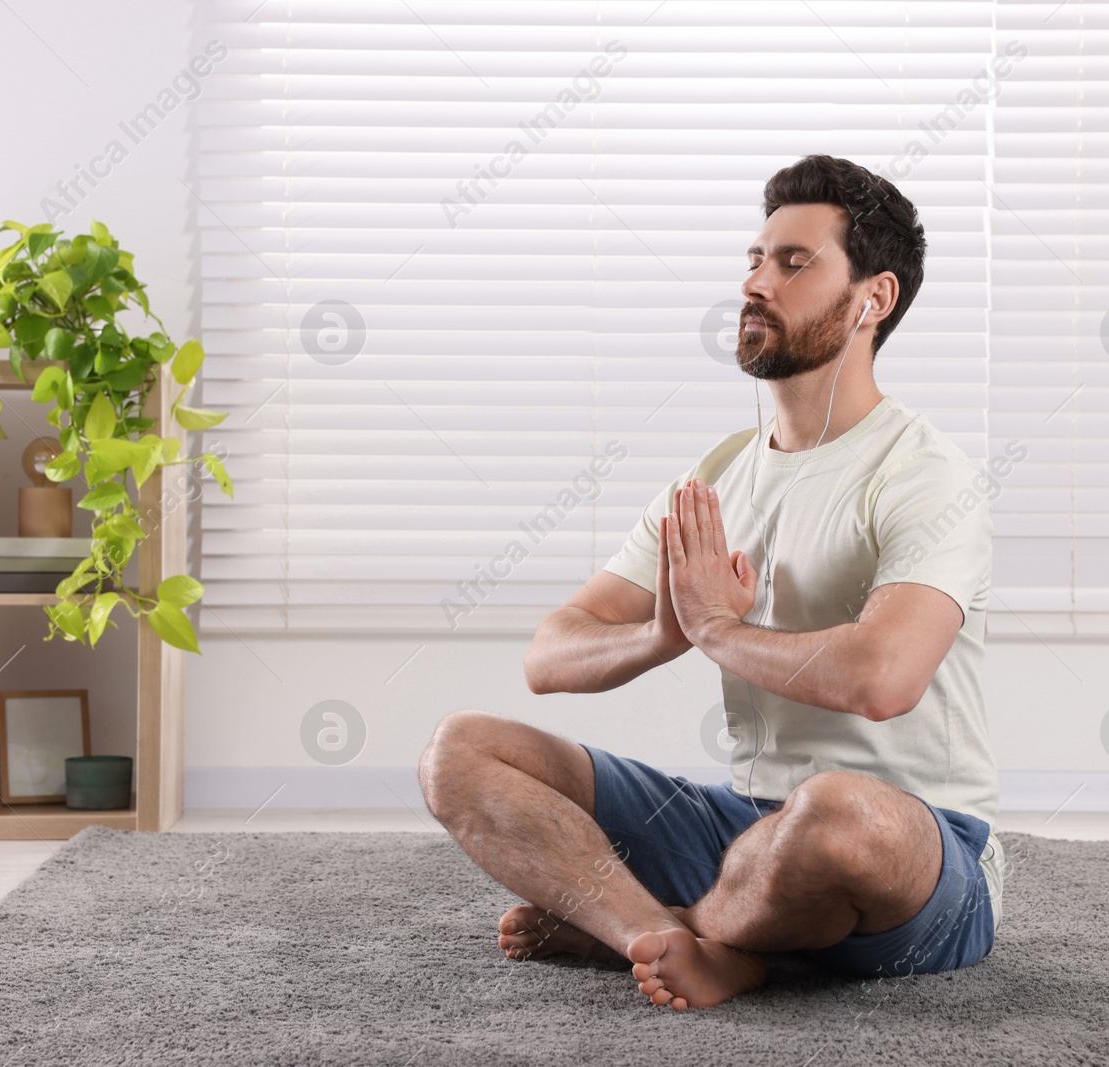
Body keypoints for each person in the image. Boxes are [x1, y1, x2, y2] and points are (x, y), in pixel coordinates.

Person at [418, 154, 1004, 1010]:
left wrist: (720, 631)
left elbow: (883, 678)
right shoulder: (720, 475)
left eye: (794, 263)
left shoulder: (925, 475)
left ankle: (678, 922)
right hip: (747, 826)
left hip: (920, 847)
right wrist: (663, 631)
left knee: (834, 810)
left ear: (873, 299)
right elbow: (551, 654)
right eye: (756, 259)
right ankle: (660, 938)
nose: (756, 282)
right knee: (460, 749)